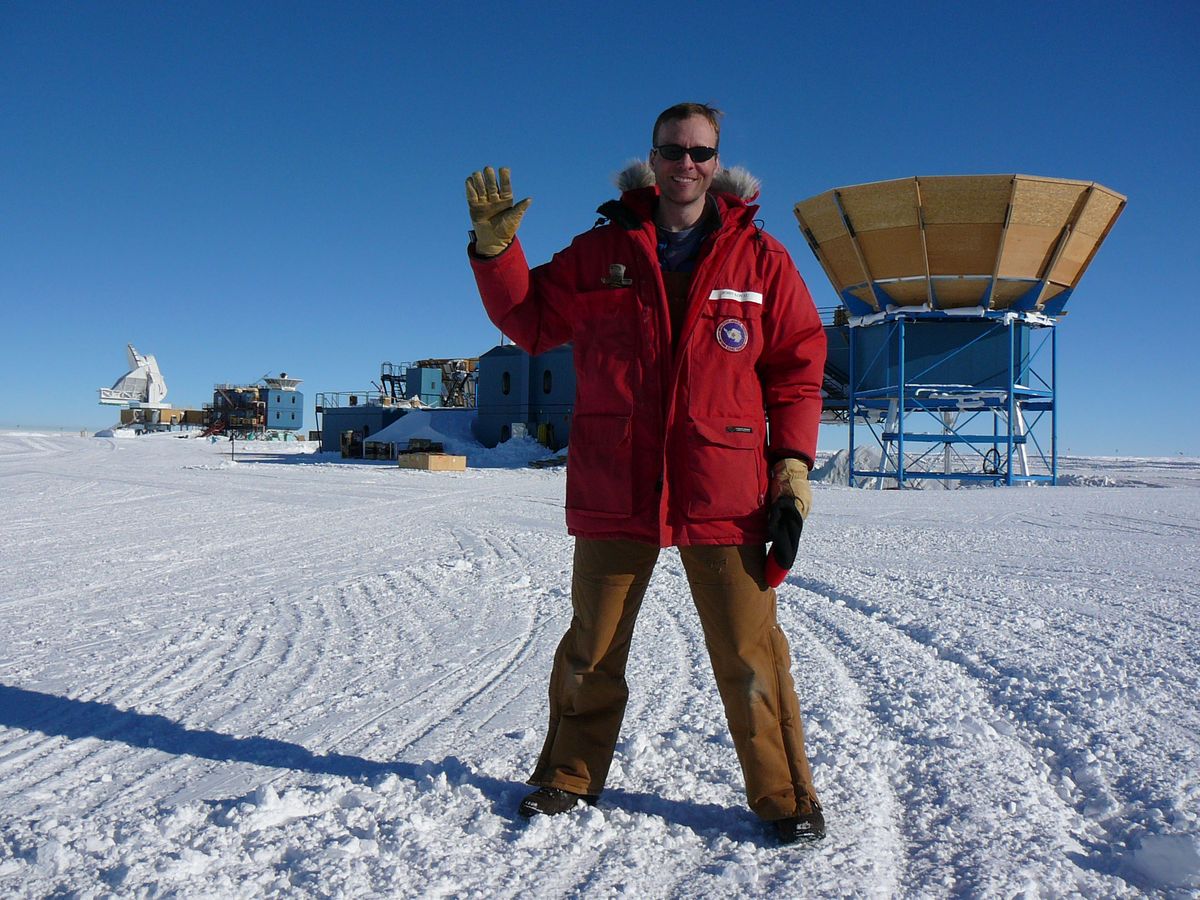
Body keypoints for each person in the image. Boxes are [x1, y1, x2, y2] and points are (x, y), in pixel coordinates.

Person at [464, 103, 828, 844]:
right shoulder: (603, 253)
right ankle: (566, 777)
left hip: (721, 489)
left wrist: (790, 467)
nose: (686, 164)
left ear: (717, 160)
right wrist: (495, 250)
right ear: (653, 157)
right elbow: (531, 321)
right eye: (673, 150)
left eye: (701, 152)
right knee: (591, 648)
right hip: (616, 482)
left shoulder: (761, 261)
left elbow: (797, 371)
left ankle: (787, 798)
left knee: (749, 652)